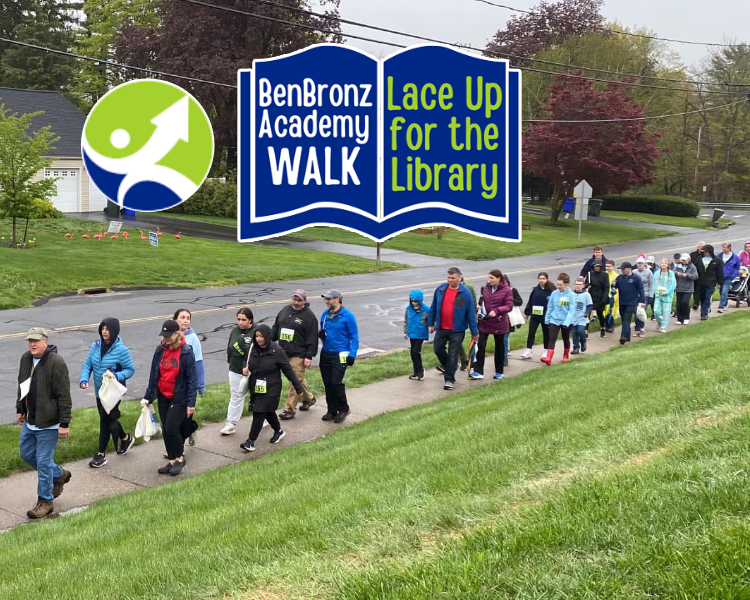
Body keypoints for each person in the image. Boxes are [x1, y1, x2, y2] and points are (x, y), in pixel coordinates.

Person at [16, 327, 72, 519]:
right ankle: (59, 474)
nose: (32, 344)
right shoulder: (26, 358)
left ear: (45, 341)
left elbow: (64, 395)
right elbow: (22, 385)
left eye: (36, 340)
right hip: (30, 420)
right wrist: (20, 409)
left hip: (48, 423)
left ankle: (45, 501)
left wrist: (64, 423)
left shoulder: (56, 363)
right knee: (26, 454)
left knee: (43, 460)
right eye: (30, 340)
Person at [142, 319, 197, 476]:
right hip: (163, 395)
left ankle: (180, 458)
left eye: (168, 336)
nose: (165, 339)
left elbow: (192, 379)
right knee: (166, 430)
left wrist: (191, 403)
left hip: (179, 396)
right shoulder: (160, 350)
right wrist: (148, 396)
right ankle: (172, 459)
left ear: (176, 334)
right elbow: (154, 374)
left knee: (172, 428)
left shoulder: (185, 351)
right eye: (163, 336)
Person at [80, 317, 136, 468]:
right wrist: (84, 379)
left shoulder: (121, 350)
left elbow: (130, 369)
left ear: (115, 331)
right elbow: (87, 365)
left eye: (107, 329)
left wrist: (116, 375)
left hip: (113, 392)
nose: (104, 332)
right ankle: (125, 439)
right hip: (100, 391)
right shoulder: (95, 346)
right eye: (102, 329)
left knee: (104, 421)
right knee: (110, 419)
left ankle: (101, 455)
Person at [239, 325, 304, 452]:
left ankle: (250, 441)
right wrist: (244, 369)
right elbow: (246, 361)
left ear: (267, 337)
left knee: (259, 412)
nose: (258, 339)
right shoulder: (252, 348)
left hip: (272, 387)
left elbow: (288, 370)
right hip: (256, 385)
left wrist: (298, 387)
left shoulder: (277, 351)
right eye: (256, 336)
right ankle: (278, 431)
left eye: (261, 336)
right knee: (267, 411)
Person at [271, 289, 319, 419]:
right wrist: (268, 341)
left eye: (299, 300)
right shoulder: (285, 310)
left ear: (305, 301)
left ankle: (289, 410)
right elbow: (276, 327)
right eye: (295, 299)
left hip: (299, 354)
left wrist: (309, 356)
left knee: (294, 382)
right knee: (298, 380)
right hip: (284, 352)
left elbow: (312, 338)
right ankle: (309, 398)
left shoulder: (309, 317)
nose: (296, 302)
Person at [428, 267, 479, 390]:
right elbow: (433, 306)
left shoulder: (465, 293)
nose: (450, 280)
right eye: (449, 278)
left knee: (453, 353)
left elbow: (470, 313)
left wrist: (474, 331)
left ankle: (449, 379)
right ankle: (452, 366)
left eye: (453, 278)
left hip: (457, 329)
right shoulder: (440, 289)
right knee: (438, 349)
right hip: (441, 327)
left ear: (459, 278)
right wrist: (431, 323)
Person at [319, 290, 359, 423]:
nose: (326, 302)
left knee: (336, 382)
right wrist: (321, 334)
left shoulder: (347, 316)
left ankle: (343, 408)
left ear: (337, 300)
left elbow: (354, 337)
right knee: (328, 383)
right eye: (325, 299)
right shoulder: (325, 315)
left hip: (340, 354)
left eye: (329, 299)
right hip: (326, 353)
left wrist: (352, 354)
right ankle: (332, 410)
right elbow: (322, 330)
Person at [470, 269, 513, 380]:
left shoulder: (507, 290)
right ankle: (478, 371)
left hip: (499, 322)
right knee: (481, 346)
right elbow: (482, 300)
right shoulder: (485, 288)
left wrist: (497, 311)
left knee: (499, 347)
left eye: (492, 278)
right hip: (485, 321)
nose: (489, 280)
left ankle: (499, 371)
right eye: (488, 278)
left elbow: (509, 306)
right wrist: (479, 308)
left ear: (499, 278)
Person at [220, 308, 255, 435]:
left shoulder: (255, 332)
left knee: (257, 396)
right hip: (235, 369)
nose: (240, 322)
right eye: (238, 319)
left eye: (243, 320)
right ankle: (231, 423)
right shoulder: (234, 331)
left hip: (252, 370)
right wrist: (230, 360)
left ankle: (264, 418)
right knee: (236, 395)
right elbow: (229, 347)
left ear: (250, 320)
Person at [173, 309, 203, 445]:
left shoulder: (193, 338)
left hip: (188, 383)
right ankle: (191, 429)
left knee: (185, 416)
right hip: (173, 383)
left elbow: (198, 362)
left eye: (188, 318)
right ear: (175, 320)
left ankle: (178, 448)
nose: (185, 320)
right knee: (175, 416)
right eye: (182, 317)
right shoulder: (170, 336)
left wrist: (200, 386)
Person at [541, 273, 575, 365]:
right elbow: (550, 307)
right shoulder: (554, 293)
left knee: (565, 338)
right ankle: (548, 358)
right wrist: (547, 320)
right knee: (551, 338)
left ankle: (565, 355)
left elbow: (571, 311)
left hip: (566, 321)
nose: (558, 286)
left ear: (566, 284)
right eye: (558, 284)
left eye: (561, 284)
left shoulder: (571, 295)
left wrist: (567, 322)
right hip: (554, 319)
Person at [521, 272, 554, 359]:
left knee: (546, 333)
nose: (541, 280)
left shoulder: (551, 291)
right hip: (535, 315)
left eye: (543, 279)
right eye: (540, 278)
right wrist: (527, 313)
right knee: (531, 332)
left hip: (546, 316)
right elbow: (531, 301)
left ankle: (545, 350)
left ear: (547, 279)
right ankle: (528, 350)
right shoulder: (535, 290)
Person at [612, 262, 646, 344]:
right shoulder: (619, 278)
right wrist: (612, 285)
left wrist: (642, 301)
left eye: (623, 269)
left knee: (627, 319)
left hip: (632, 302)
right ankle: (627, 336)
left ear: (629, 268)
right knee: (624, 320)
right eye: (621, 269)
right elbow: (614, 288)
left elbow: (641, 290)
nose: (622, 271)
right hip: (622, 302)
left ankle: (623, 336)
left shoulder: (636, 278)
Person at [404, 289, 430, 380]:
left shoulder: (426, 310)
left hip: (420, 333)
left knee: (416, 351)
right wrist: (405, 332)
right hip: (412, 333)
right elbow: (406, 321)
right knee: (412, 352)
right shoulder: (408, 309)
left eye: (416, 301)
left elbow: (430, 320)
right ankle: (416, 371)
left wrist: (431, 326)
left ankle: (420, 370)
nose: (414, 303)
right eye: (412, 301)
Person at [695, 244, 724, 320]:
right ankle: (704, 309)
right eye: (704, 252)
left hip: (711, 283)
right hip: (700, 282)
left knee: (707, 298)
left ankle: (704, 314)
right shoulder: (699, 259)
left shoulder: (717, 260)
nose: (705, 253)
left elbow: (720, 272)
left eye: (707, 251)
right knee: (702, 298)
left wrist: (720, 282)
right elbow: (695, 269)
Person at [586, 260, 610, 337]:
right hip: (591, 296)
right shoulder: (590, 274)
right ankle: (585, 331)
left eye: (598, 266)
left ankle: (602, 328)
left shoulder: (605, 275)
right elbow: (586, 284)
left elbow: (606, 287)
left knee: (600, 314)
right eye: (595, 266)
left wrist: (604, 298)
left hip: (600, 296)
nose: (597, 268)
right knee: (587, 314)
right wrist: (587, 285)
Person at [674, 253, 699, 325]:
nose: (684, 262)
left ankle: (686, 317)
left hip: (688, 288)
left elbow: (696, 276)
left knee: (685, 302)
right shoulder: (678, 266)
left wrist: (687, 275)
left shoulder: (692, 267)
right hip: (679, 287)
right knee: (679, 303)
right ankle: (679, 318)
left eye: (685, 260)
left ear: (689, 260)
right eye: (683, 260)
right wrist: (677, 273)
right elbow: (672, 272)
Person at [653, 259, 677, 333]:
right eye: (662, 263)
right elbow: (654, 283)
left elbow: (673, 285)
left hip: (667, 296)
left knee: (666, 312)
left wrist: (666, 292)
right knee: (656, 311)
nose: (663, 264)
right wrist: (657, 291)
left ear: (667, 265)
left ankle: (664, 326)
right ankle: (660, 321)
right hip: (658, 295)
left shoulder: (671, 274)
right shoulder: (657, 273)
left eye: (665, 263)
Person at [570, 277, 593, 354]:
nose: (577, 286)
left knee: (580, 331)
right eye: (576, 284)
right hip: (573, 317)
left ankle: (583, 342)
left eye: (579, 284)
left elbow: (590, 305)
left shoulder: (586, 294)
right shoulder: (571, 294)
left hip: (582, 317)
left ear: (583, 285)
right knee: (574, 333)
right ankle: (576, 348)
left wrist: (587, 313)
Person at [717, 242, 741, 313]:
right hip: (720, 277)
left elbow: (737, 268)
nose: (723, 249)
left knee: (724, 291)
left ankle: (721, 307)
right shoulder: (719, 256)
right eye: (722, 247)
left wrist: (732, 275)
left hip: (729, 277)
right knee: (721, 291)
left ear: (729, 248)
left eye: (724, 247)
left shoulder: (735, 257)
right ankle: (725, 303)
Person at [634, 257, 655, 321]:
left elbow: (651, 284)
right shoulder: (634, 272)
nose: (640, 264)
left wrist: (651, 295)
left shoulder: (649, 272)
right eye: (638, 263)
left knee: (642, 311)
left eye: (641, 263)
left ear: (644, 264)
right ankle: (638, 325)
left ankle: (641, 325)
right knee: (635, 311)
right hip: (635, 295)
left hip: (645, 294)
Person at [603, 260, 619, 332]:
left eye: (609, 266)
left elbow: (617, 288)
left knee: (611, 311)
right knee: (604, 311)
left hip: (612, 296)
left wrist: (614, 297)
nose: (607, 268)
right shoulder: (603, 274)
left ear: (613, 267)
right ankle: (605, 324)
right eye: (606, 266)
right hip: (604, 296)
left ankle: (611, 325)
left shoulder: (616, 276)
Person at [690, 240, 706, 310]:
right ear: (698, 247)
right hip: (694, 274)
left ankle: (697, 302)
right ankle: (696, 302)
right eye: (701, 247)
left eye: (704, 247)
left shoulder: (706, 255)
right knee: (695, 289)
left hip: (702, 275)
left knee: (699, 290)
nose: (702, 248)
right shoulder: (692, 254)